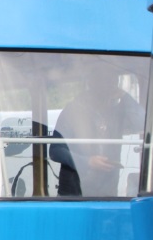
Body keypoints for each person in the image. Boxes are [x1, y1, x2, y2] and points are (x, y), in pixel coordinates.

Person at [49, 67, 144, 197]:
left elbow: (142, 123)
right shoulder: (73, 111)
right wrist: (87, 162)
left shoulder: (117, 112)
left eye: (111, 83)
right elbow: (55, 151)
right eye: (103, 82)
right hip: (74, 192)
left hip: (108, 191)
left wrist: (125, 96)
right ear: (92, 84)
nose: (107, 87)